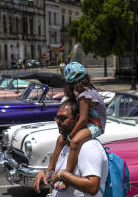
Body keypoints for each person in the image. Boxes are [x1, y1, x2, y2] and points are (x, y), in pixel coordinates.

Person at [43, 62, 106, 190]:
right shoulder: (84, 93)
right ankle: (50, 171)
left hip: (96, 123)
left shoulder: (84, 96)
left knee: (75, 142)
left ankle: (67, 176)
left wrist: (72, 135)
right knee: (61, 139)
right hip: (90, 121)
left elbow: (82, 120)